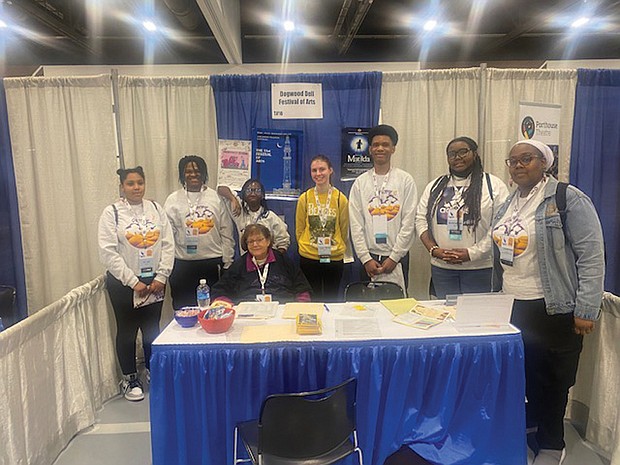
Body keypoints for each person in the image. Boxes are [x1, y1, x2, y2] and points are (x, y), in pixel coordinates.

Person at [491, 139, 605, 465]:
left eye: (526, 159)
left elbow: (592, 256)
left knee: (554, 379)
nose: (517, 165)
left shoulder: (567, 199)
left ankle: (553, 443)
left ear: (544, 163)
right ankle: (533, 427)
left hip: (554, 306)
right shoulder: (509, 204)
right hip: (512, 305)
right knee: (525, 374)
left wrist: (586, 309)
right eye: (512, 161)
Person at [98, 166, 174, 402]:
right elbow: (108, 252)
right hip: (124, 284)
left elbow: (168, 244)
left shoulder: (156, 209)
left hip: (154, 282)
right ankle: (130, 378)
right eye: (130, 184)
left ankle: (152, 368)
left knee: (152, 328)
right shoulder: (112, 213)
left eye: (140, 182)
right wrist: (132, 281)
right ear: (122, 187)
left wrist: (161, 276)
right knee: (127, 331)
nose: (136, 187)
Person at [415, 136, 509, 298]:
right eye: (452, 154)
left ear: (475, 154)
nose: (457, 157)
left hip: (479, 268)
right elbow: (420, 219)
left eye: (463, 152)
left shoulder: (493, 185)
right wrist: (433, 249)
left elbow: (501, 225)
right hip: (442, 268)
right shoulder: (435, 186)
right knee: (446, 316)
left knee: (476, 319)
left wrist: (473, 253)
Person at [348, 124, 418, 292]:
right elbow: (356, 224)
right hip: (368, 258)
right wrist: (365, 258)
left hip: (396, 257)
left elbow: (409, 222)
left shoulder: (405, 180)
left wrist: (394, 257)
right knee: (367, 309)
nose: (380, 148)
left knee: (396, 306)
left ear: (393, 149)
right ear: (370, 149)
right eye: (376, 145)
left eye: (385, 145)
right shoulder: (361, 183)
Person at [164, 155, 235, 309]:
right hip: (182, 264)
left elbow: (226, 231)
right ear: (182, 175)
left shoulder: (216, 198)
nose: (193, 174)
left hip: (211, 263)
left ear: (204, 173)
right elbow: (167, 237)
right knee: (183, 311)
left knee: (213, 309)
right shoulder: (172, 200)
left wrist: (227, 262)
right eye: (188, 171)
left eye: (197, 171)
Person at [211, 224, 311, 304]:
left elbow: (302, 287)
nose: (255, 244)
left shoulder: (284, 261)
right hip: (248, 312)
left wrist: (300, 306)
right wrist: (226, 304)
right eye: (251, 241)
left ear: (268, 241)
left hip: (281, 308)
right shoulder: (239, 265)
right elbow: (219, 290)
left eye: (259, 240)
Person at [295, 155, 350, 301]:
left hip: (334, 257)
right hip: (309, 256)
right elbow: (299, 228)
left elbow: (344, 228)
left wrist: (337, 244)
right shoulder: (304, 198)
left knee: (331, 299)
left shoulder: (340, 199)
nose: (318, 174)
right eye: (314, 170)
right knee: (313, 299)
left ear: (330, 170)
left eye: (322, 169)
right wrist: (305, 244)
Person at [217, 179, 290, 253]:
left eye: (257, 191)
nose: (253, 194)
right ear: (244, 195)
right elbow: (220, 188)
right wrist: (233, 199)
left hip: (267, 260)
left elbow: (283, 241)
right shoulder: (239, 212)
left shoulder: (270, 217)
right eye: (248, 190)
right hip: (247, 261)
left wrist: (275, 260)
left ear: (262, 195)